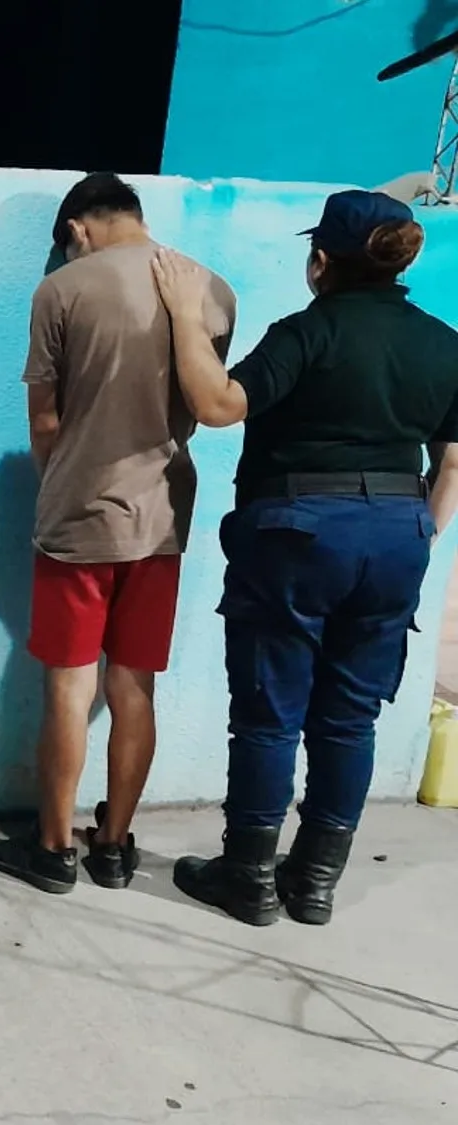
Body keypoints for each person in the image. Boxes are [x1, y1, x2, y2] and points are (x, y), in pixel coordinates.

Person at [153, 191, 458, 926]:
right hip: (396, 534)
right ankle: (314, 883)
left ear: (321, 260)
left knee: (268, 713)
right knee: (351, 719)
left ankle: (249, 879)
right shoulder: (444, 343)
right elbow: (450, 461)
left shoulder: (305, 332)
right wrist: (421, 531)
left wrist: (187, 317)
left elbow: (223, 404)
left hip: (297, 531)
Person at [0, 173, 236, 894]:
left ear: (77, 230)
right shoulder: (212, 289)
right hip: (161, 519)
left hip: (80, 518)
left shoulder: (61, 290)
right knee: (134, 686)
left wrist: (60, 485)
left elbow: (45, 423)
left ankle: (55, 849)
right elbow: (202, 397)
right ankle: (115, 847)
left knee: (69, 685)